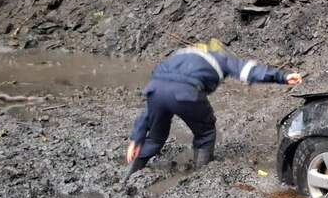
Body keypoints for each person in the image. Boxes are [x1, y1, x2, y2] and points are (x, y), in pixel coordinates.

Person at [125, 40, 302, 178]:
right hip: (186, 93)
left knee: (155, 137)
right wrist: (282, 77)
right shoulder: (220, 58)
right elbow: (249, 71)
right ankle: (201, 174)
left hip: (155, 89)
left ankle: (131, 173)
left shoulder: (180, 55)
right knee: (206, 133)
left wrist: (136, 138)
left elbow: (147, 113)